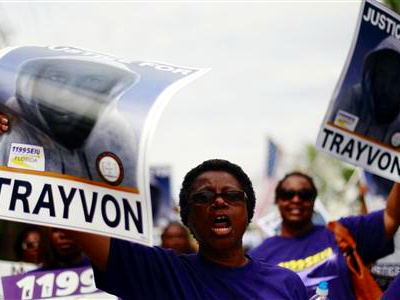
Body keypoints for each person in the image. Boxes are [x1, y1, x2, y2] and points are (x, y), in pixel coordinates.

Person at [66, 159, 308, 299]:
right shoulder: (162, 274)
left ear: (249, 211)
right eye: (203, 197)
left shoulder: (287, 283)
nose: (219, 202)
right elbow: (74, 221)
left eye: (232, 195)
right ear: (187, 217)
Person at [249, 171, 400, 299]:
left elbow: (391, 217)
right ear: (278, 200)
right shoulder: (257, 257)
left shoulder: (342, 231)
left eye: (304, 194)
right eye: (287, 194)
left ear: (314, 201)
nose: (296, 199)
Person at [0, 56, 140, 187]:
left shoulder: (115, 133)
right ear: (35, 79)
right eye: (56, 77)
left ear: (109, 88)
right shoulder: (8, 124)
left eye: (92, 81)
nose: (65, 95)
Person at [330, 36, 400, 148]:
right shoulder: (353, 98)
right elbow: (332, 142)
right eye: (382, 76)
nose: (386, 88)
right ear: (372, 75)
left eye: (396, 80)